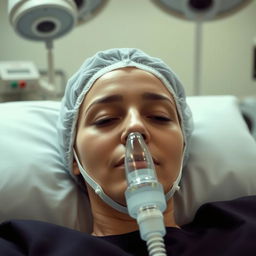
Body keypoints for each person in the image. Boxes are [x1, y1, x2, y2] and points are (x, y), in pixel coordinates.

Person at [0, 48, 256, 256]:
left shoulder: (244, 224)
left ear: (183, 147)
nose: (135, 127)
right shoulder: (28, 245)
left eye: (159, 116)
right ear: (74, 156)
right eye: (105, 119)